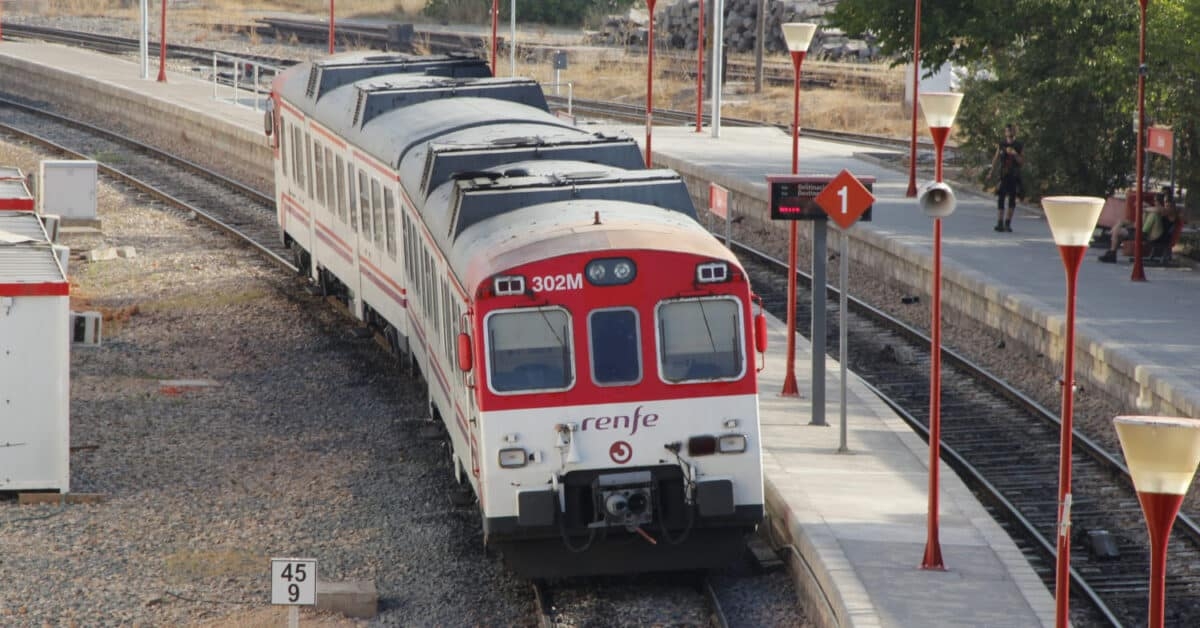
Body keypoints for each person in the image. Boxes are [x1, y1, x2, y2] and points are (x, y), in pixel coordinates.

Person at [1098, 188, 1179, 263]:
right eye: (1165, 201)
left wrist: (1144, 208)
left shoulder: (1169, 211)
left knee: (1118, 231)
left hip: (1155, 237)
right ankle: (1112, 253)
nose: (1166, 203)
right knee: (1120, 228)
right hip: (1150, 233)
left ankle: (1112, 252)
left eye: (1167, 201)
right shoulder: (1160, 210)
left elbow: (1159, 210)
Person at [990, 123, 1024, 232]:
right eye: (1007, 131)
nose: (1009, 132)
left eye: (1011, 130)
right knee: (1001, 198)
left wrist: (1015, 154)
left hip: (1014, 175)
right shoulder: (1002, 144)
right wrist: (991, 171)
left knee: (1012, 199)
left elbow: (1022, 161)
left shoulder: (1019, 145)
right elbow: (995, 159)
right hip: (1003, 174)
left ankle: (1008, 223)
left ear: (1015, 132)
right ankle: (999, 223)